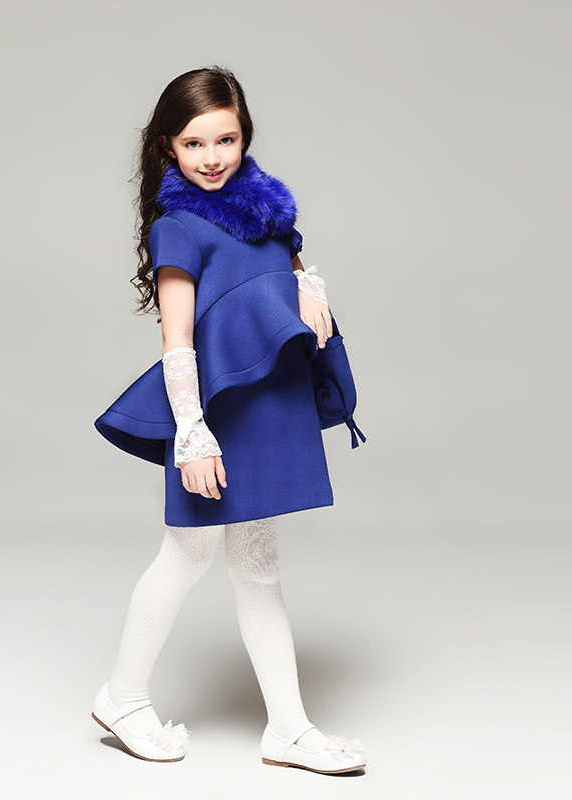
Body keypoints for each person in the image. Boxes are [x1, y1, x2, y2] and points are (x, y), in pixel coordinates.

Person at [92, 66, 367, 775]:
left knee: (258, 567)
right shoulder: (179, 227)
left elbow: (287, 268)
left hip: (267, 407)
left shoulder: (270, 211)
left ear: (245, 137)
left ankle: (289, 729)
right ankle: (122, 696)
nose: (212, 157)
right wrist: (191, 432)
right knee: (188, 553)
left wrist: (309, 284)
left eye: (227, 139)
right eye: (194, 143)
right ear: (168, 146)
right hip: (215, 416)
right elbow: (177, 340)